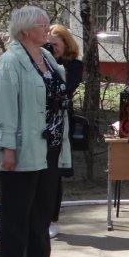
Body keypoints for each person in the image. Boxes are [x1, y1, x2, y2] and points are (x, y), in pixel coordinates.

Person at [0, 6, 72, 257]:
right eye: (42, 24)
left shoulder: (47, 57)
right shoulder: (10, 61)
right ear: (24, 30)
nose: (48, 27)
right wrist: (6, 148)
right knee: (16, 213)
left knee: (41, 211)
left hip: (49, 147)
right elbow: (3, 110)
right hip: (22, 150)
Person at [44, 25, 84, 239]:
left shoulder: (74, 65)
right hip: (39, 122)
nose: (51, 49)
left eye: (55, 45)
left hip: (60, 123)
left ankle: (51, 219)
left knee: (54, 173)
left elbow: (64, 88)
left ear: (66, 44)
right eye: (47, 44)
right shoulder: (39, 61)